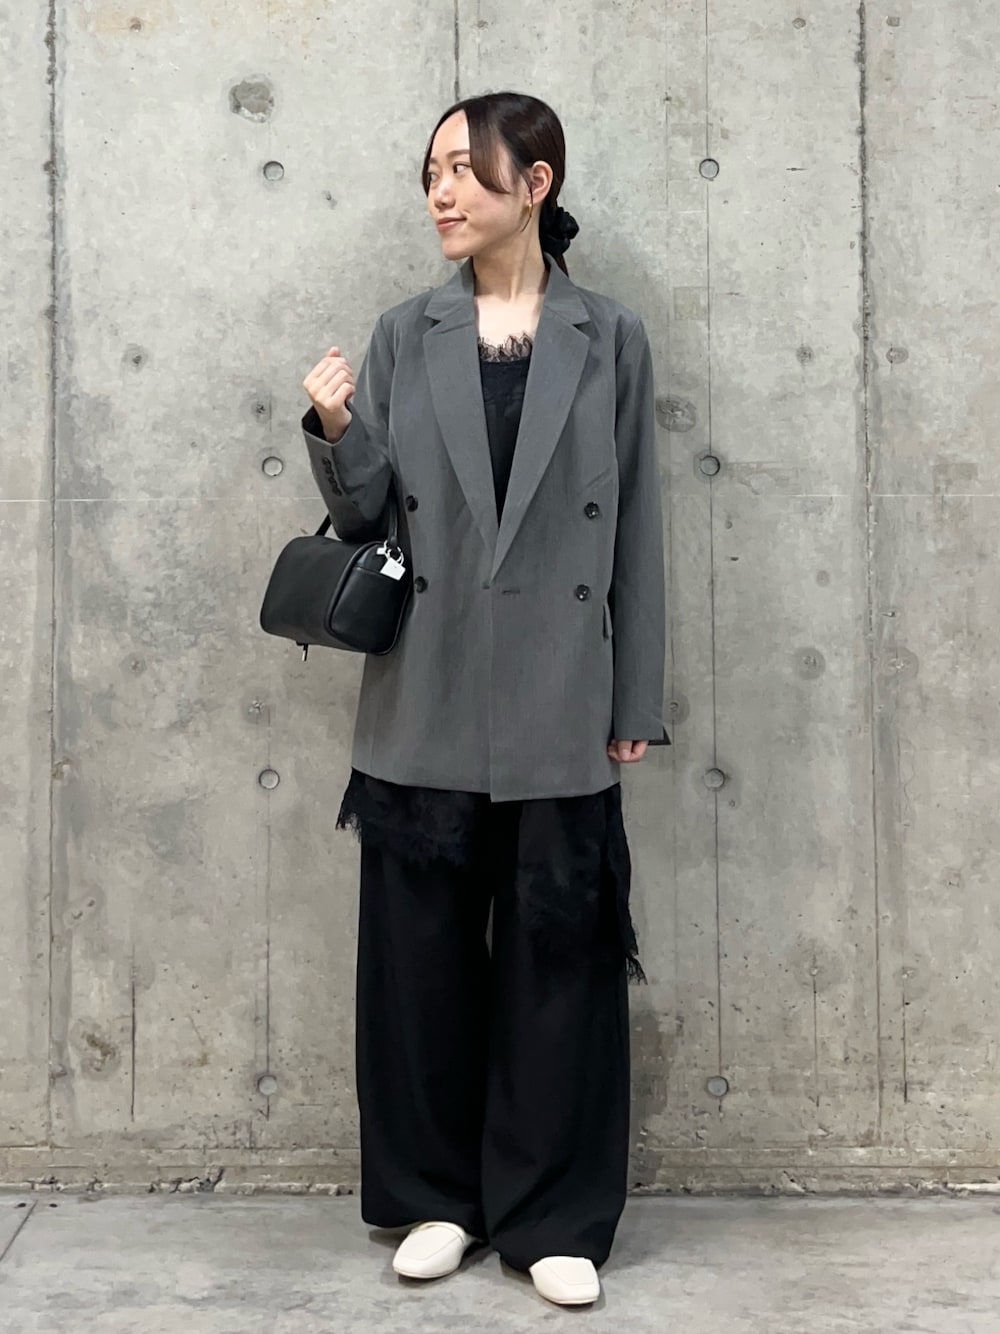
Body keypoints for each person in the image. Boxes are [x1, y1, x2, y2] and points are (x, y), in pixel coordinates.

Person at [300, 91, 670, 1308]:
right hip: (428, 685)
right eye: (431, 172)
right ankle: (435, 1198)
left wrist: (634, 693)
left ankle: (552, 1212)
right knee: (418, 964)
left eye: (463, 168)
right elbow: (368, 515)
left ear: (536, 182)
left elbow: (638, 527)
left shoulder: (608, 336)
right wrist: (337, 425)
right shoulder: (404, 333)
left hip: (561, 690)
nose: (441, 193)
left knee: (559, 959)